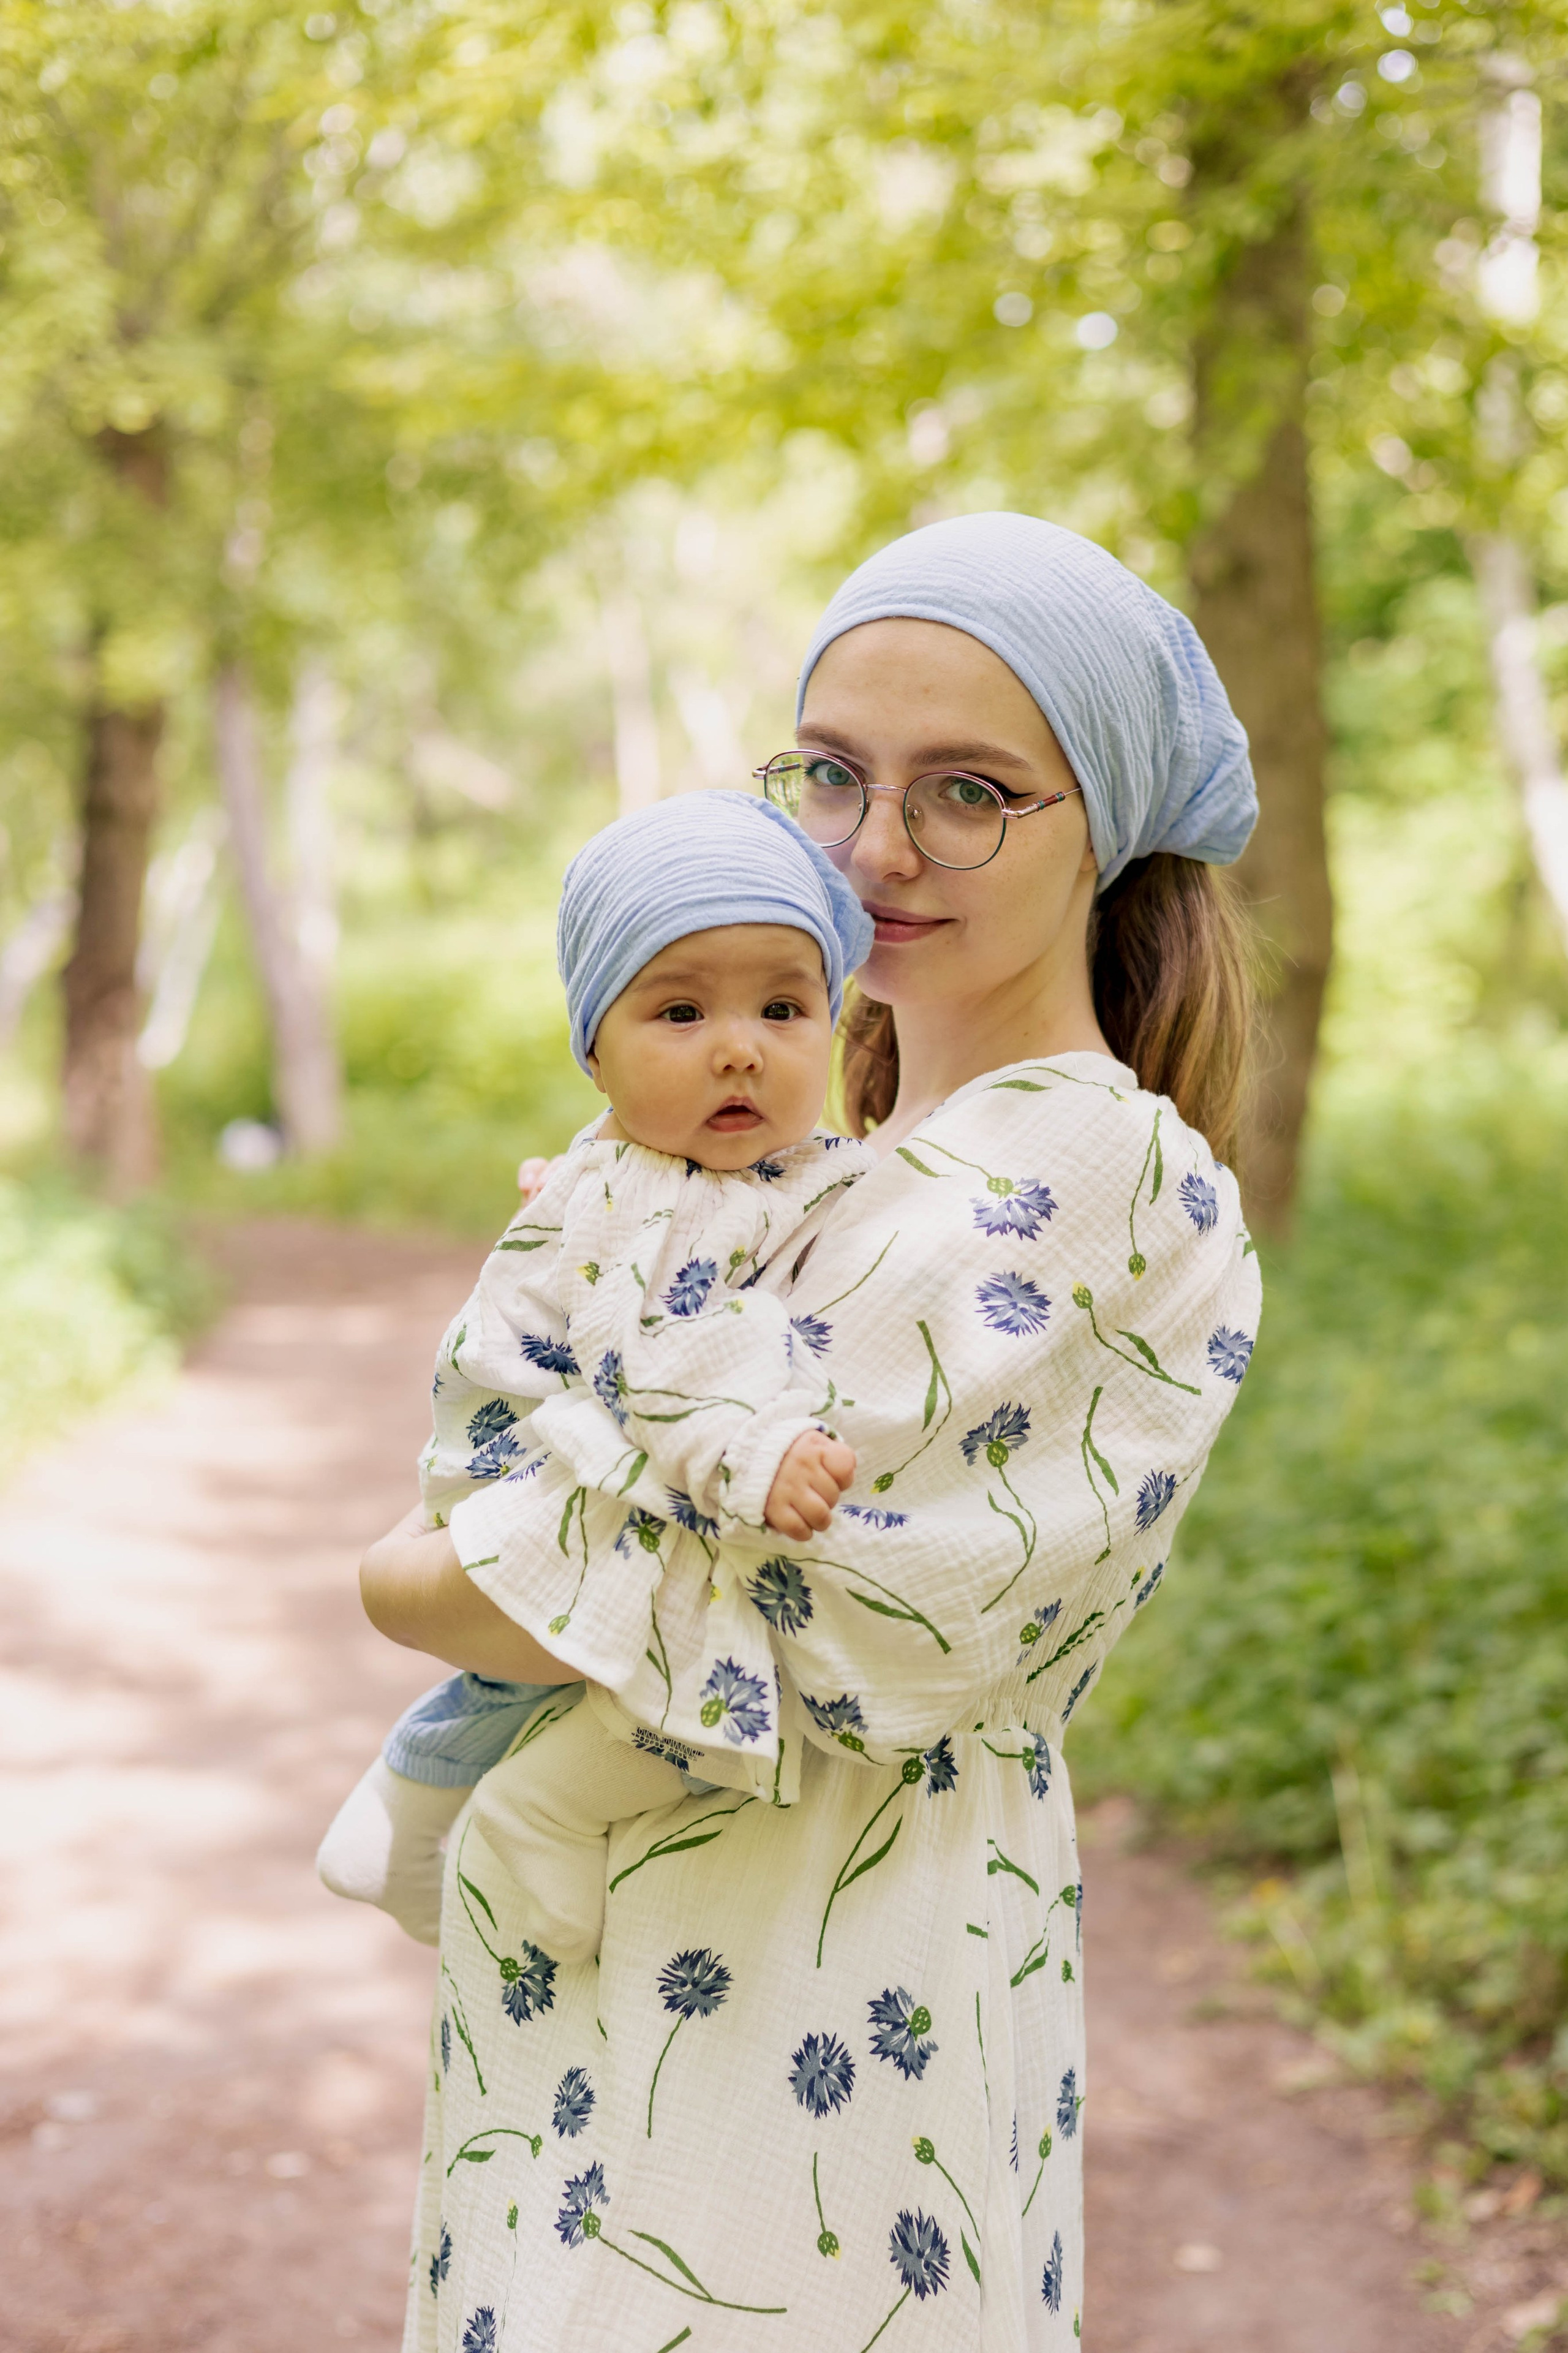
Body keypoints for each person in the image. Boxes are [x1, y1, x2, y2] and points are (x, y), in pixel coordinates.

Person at [361, 512, 1262, 2351]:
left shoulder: (1087, 1165)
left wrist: (403, 1572)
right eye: (835, 772)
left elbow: (675, 1591)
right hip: (633, 1983)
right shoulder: (794, 1167)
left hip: (822, 2017)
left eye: (972, 790)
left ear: (1105, 828)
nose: (876, 846)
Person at [317, 790, 877, 1954]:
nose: (739, 1046)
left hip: (568, 1457)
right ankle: (543, 1815)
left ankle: (403, 1805)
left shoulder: (720, 1164)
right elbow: (654, 1356)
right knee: (676, 1650)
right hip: (527, 1462)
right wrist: (752, 1450)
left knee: (552, 1671)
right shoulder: (637, 1194)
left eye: (784, 1006)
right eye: (679, 1010)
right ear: (593, 1052)